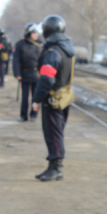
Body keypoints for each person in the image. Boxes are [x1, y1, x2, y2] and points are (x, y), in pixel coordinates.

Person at [32, 14, 75, 182]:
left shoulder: (52, 51)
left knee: (53, 134)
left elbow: (47, 78)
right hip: (63, 96)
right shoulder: (67, 48)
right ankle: (52, 166)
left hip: (52, 99)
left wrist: (36, 99)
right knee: (57, 133)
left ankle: (56, 168)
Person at [13, 23, 42, 121]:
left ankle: (34, 114)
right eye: (33, 33)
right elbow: (16, 59)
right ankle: (23, 115)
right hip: (24, 73)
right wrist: (17, 73)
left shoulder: (40, 44)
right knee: (24, 97)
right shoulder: (21, 44)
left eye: (36, 33)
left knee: (36, 97)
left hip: (36, 74)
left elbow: (43, 59)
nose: (36, 35)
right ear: (29, 33)